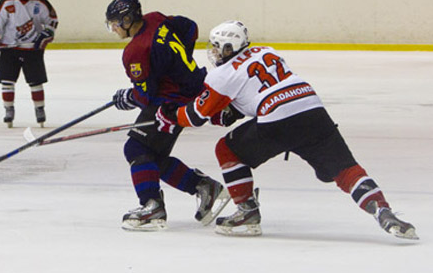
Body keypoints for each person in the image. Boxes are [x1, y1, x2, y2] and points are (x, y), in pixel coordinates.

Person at [155, 20, 418, 240]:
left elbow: (195, 116)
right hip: (312, 108)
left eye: (216, 46)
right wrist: (229, 113)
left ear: (228, 46)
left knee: (227, 149)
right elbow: (254, 90)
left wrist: (169, 114)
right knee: (345, 169)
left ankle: (247, 212)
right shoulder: (266, 51)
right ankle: (382, 210)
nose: (213, 52)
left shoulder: (222, 74)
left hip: (278, 117)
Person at [105, 0, 230, 231]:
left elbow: (146, 97)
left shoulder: (135, 51)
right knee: (152, 157)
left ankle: (152, 207)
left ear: (128, 19)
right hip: (193, 89)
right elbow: (190, 27)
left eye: (115, 23)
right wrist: (177, 66)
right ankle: (205, 187)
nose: (114, 28)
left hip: (171, 103)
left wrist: (128, 97)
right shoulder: (156, 19)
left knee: (136, 148)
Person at [0, 0, 58, 128]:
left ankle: (39, 109)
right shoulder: (8, 1)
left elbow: (52, 21)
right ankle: (8, 110)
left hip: (32, 49)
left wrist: (44, 35)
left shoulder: (40, 2)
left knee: (36, 81)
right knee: (7, 81)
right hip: (10, 49)